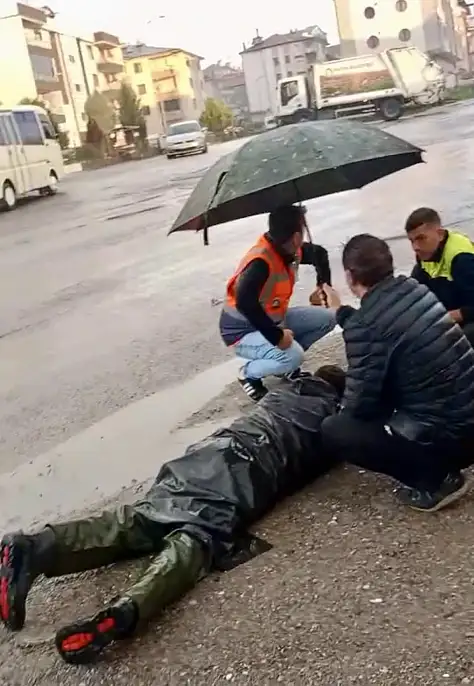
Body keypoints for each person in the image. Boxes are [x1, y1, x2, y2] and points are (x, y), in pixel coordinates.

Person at [0, 366, 345, 665]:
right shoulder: (330, 418)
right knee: (196, 541)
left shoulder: (281, 393)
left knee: (137, 519)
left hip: (203, 457)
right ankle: (127, 609)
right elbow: (322, 457)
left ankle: (35, 546)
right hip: (244, 474)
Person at [319, 233, 474, 513]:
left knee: (336, 430)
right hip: (467, 417)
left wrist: (340, 403)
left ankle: (435, 481)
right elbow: (381, 324)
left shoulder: (365, 327)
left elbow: (360, 407)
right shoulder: (415, 289)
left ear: (350, 276)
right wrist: (339, 311)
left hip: (450, 440)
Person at [219, 204, 336, 401]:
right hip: (242, 332)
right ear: (297, 237)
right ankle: (248, 373)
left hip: (273, 318)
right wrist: (277, 337)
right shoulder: (260, 262)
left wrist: (322, 286)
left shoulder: (288, 249)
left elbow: (320, 254)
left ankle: (284, 365)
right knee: (293, 356)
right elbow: (244, 303)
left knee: (329, 318)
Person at [405, 207, 474, 346]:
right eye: (412, 241)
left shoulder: (462, 259)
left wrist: (441, 320)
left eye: (421, 238)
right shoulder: (425, 254)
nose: (415, 247)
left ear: (440, 234)